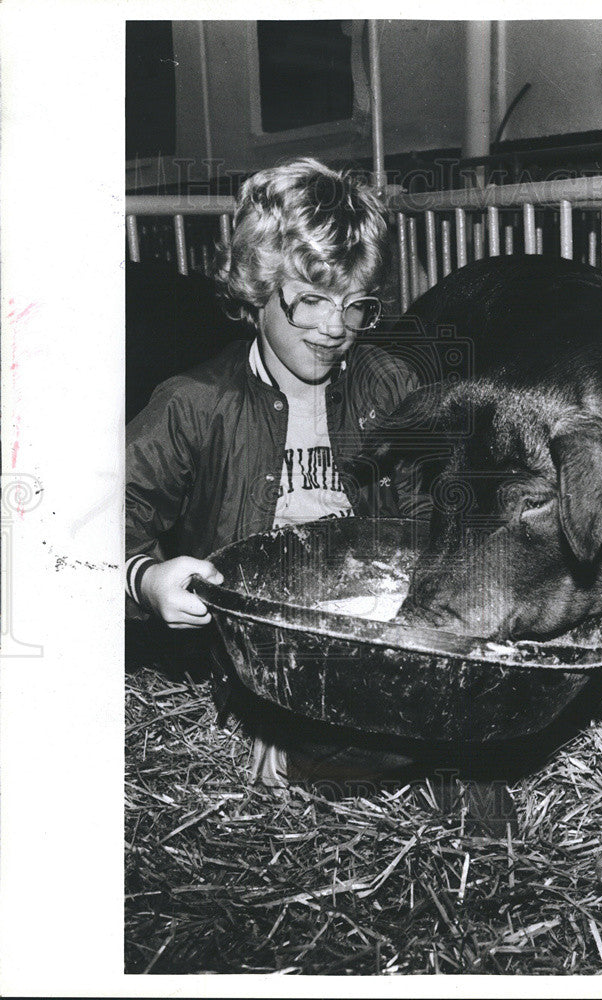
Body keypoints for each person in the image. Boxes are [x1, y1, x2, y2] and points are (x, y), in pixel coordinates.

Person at [125, 157, 422, 789]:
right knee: (374, 751)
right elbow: (88, 523)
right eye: (310, 300)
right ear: (257, 292)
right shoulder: (194, 402)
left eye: (356, 304)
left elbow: (434, 508)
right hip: (254, 652)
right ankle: (292, 741)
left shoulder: (390, 385)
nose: (336, 327)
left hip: (374, 629)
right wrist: (148, 581)